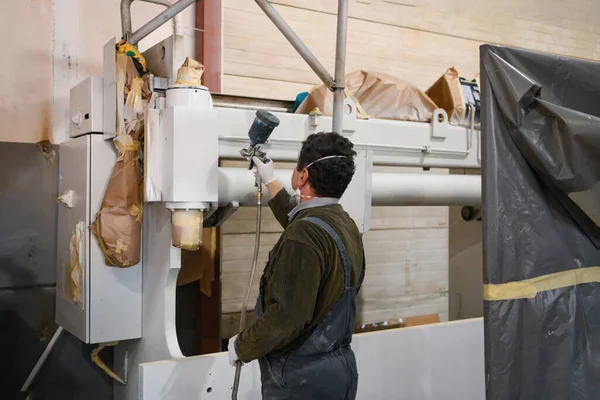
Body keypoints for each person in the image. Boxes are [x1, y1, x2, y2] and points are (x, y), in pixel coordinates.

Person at [227, 131, 366, 399]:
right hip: (338, 369)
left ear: (302, 176)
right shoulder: (343, 222)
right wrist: (270, 181)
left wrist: (242, 346)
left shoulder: (304, 235)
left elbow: (287, 318)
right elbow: (303, 221)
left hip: (301, 378)